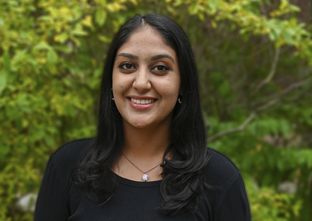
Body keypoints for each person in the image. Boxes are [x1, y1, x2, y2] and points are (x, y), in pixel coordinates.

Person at [34, 14, 251, 221]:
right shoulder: (67, 167)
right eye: (127, 66)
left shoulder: (220, 179)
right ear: (111, 79)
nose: (140, 83)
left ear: (183, 83)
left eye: (160, 68)